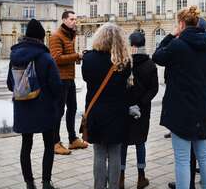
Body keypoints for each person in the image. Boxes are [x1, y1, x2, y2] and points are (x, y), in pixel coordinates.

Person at [153, 6, 206, 189]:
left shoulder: (177, 45)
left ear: (181, 24)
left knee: (182, 159)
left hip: (181, 110)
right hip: (203, 107)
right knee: (204, 155)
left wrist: (170, 36)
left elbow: (157, 56)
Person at [7, 19, 62, 189]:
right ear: (41, 38)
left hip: (23, 107)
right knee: (48, 145)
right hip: (45, 107)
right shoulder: (46, 57)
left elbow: (10, 84)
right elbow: (56, 86)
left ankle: (29, 183)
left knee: (26, 145)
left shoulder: (14, 57)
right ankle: (46, 182)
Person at [82, 23, 132, 189]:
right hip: (118, 113)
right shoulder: (124, 62)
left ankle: (99, 186)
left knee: (99, 153)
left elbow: (86, 79)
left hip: (96, 112)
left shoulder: (88, 59)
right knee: (115, 153)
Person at [120, 31, 159, 189]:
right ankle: (141, 177)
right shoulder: (150, 65)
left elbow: (119, 87)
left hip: (125, 109)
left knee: (123, 143)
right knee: (140, 142)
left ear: (132, 46)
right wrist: (141, 103)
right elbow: (154, 89)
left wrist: (128, 105)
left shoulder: (124, 63)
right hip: (143, 110)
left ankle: (120, 178)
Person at [49, 10, 88, 155]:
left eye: (75, 19)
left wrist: (78, 57)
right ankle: (55, 142)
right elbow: (56, 58)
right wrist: (76, 55)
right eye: (72, 19)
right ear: (64, 20)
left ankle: (72, 139)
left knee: (72, 109)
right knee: (59, 112)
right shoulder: (56, 36)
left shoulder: (69, 35)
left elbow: (67, 56)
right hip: (60, 79)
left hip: (69, 78)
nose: (74, 21)